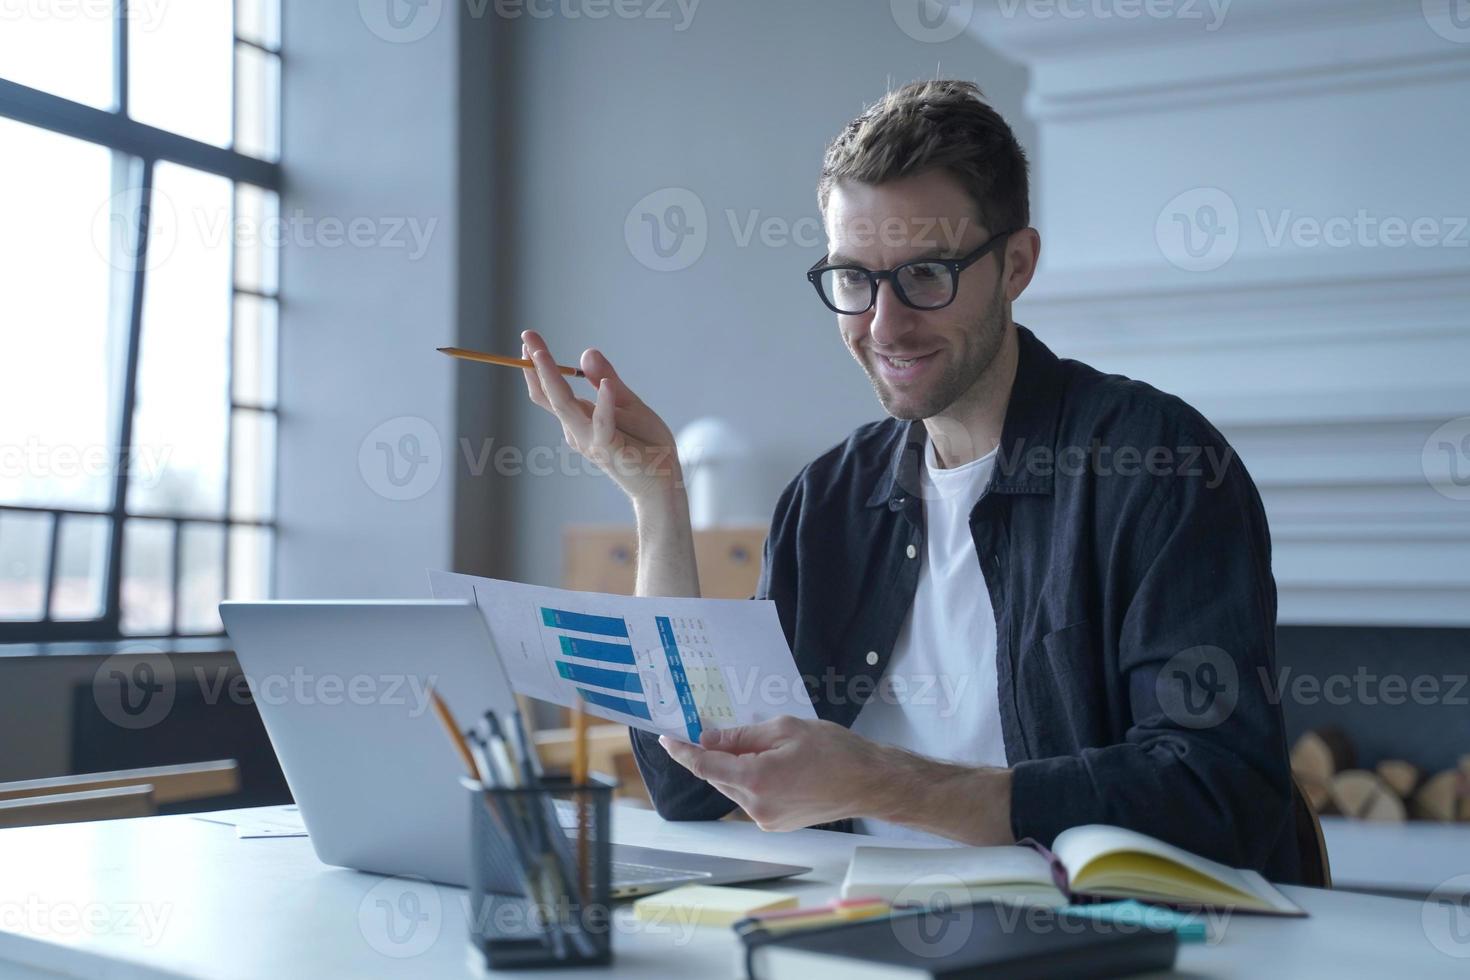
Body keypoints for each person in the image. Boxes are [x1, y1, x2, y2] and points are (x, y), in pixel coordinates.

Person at [519, 79, 1300, 880]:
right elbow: (695, 788)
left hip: (1099, 944)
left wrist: (884, 783)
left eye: (926, 275)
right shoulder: (828, 500)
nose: (884, 325)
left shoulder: (1157, 465)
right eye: (853, 279)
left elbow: (1218, 795)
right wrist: (657, 497)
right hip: (867, 934)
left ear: (1017, 264)